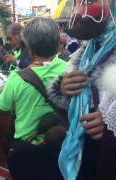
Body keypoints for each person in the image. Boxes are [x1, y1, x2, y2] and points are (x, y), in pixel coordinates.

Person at [47, 0, 116, 179]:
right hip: (85, 153)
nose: (79, 11)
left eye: (89, 1)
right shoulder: (84, 52)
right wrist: (63, 89)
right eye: (78, 2)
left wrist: (110, 124)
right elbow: (67, 100)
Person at [0, 18, 67, 180]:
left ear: (29, 48)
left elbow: (2, 110)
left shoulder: (16, 79)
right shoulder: (72, 70)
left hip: (27, 152)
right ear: (57, 45)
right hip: (65, 150)